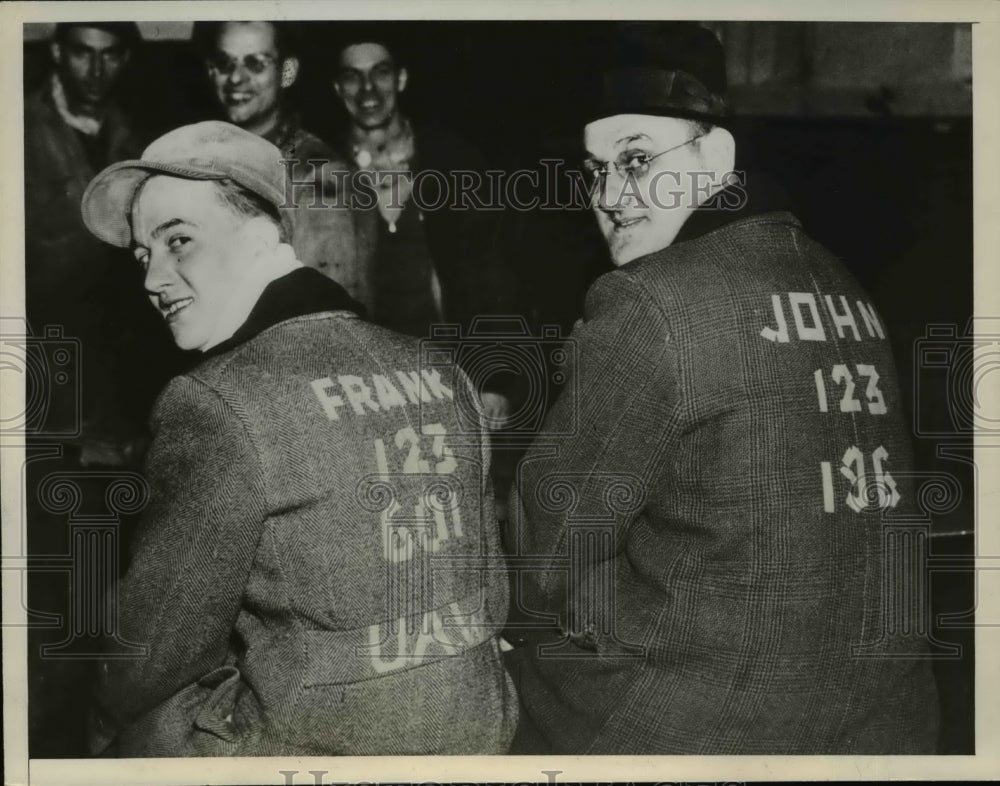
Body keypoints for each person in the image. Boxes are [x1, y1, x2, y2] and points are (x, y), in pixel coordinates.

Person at [506, 22, 940, 754]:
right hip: (888, 718)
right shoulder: (841, 280)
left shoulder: (651, 301)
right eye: (593, 169)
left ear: (716, 155)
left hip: (713, 722)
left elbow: (541, 559)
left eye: (637, 160)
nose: (610, 194)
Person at [80, 121, 517, 756]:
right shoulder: (439, 367)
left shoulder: (214, 402)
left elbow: (151, 652)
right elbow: (492, 596)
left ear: (260, 240)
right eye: (144, 254)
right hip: (480, 731)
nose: (152, 279)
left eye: (179, 241)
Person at [24, 21, 156, 463]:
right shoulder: (17, 131)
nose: (97, 70)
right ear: (58, 53)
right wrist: (61, 434)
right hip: (42, 402)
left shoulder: (137, 141)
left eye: (111, 53)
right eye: (83, 52)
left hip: (122, 403)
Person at [330, 31, 510, 340]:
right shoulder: (322, 172)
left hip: (452, 364)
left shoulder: (453, 160)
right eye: (352, 76)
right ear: (337, 88)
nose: (367, 89)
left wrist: (495, 380)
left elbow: (495, 277)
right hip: (366, 370)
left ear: (401, 79)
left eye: (381, 73)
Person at [194, 21, 369, 304]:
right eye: (224, 63)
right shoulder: (202, 158)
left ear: (287, 73)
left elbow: (327, 312)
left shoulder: (316, 171)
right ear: (211, 70)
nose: (236, 78)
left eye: (256, 63)